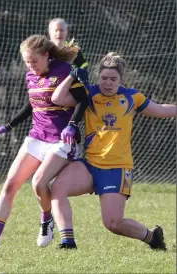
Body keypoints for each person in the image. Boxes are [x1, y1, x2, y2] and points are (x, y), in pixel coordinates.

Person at [49, 52, 176, 249]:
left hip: (117, 168)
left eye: (113, 79)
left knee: (113, 223)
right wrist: (73, 75)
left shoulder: (132, 97)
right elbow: (57, 98)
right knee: (57, 188)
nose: (108, 83)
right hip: (89, 164)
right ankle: (67, 242)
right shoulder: (89, 94)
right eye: (104, 78)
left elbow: (162, 110)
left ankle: (152, 237)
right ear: (97, 76)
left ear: (121, 80)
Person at [0, 34, 89, 248]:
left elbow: (84, 100)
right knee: (10, 185)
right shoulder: (30, 76)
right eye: (27, 62)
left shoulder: (64, 70)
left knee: (38, 182)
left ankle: (46, 220)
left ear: (46, 55)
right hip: (36, 137)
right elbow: (33, 105)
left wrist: (72, 125)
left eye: (34, 61)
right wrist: (8, 126)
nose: (31, 66)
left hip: (61, 140)